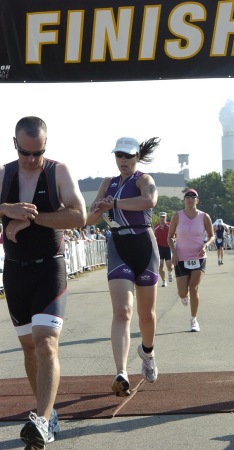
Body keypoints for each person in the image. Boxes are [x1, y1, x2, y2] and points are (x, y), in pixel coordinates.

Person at [0, 116, 86, 449]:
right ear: (15, 144)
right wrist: (7, 208)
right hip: (16, 272)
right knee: (29, 348)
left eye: (39, 152)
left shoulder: (57, 171)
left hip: (50, 269)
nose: (33, 159)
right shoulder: (6, 173)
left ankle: (40, 420)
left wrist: (31, 218)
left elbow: (78, 215)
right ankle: (46, 415)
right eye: (26, 153)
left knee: (45, 341)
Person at [87, 136, 160, 397]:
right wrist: (87, 213)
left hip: (144, 245)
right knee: (122, 312)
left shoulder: (144, 179)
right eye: (119, 155)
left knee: (147, 315)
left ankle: (147, 353)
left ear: (137, 157)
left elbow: (149, 201)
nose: (123, 161)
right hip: (118, 246)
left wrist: (115, 203)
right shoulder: (107, 183)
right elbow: (92, 216)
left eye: (128, 156)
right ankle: (121, 373)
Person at [167, 189, 214, 332]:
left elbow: (212, 236)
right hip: (181, 258)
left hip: (199, 257)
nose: (190, 199)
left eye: (193, 197)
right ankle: (184, 295)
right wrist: (174, 253)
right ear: (184, 200)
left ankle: (194, 320)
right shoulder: (177, 216)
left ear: (197, 200)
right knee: (182, 292)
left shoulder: (204, 217)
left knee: (194, 287)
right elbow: (169, 238)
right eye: (187, 197)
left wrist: (206, 245)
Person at [154, 211, 174, 287]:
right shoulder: (156, 227)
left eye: (164, 217)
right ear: (159, 217)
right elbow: (153, 236)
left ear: (166, 217)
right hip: (159, 247)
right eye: (161, 217)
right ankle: (164, 281)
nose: (162, 218)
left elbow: (174, 235)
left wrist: (174, 239)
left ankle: (170, 272)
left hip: (168, 246)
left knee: (169, 265)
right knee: (160, 265)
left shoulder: (170, 225)